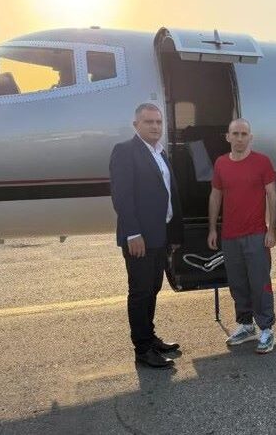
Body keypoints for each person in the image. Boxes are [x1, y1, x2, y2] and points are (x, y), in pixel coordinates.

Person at [109, 103, 183, 369]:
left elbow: (168, 193)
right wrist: (133, 233)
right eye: (149, 122)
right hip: (139, 238)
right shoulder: (125, 151)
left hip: (159, 235)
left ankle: (150, 338)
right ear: (136, 125)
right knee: (140, 292)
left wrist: (173, 233)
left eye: (158, 122)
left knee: (153, 288)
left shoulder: (160, 152)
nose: (155, 126)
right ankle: (142, 349)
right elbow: (122, 197)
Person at [207, 118, 276, 354]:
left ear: (250, 137)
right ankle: (246, 325)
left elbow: (272, 195)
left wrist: (271, 230)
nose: (239, 138)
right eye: (235, 134)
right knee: (237, 283)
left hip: (256, 235)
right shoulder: (221, 163)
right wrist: (212, 228)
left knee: (260, 283)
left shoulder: (262, 162)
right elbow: (215, 195)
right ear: (228, 137)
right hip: (229, 236)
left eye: (244, 134)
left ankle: (266, 328)